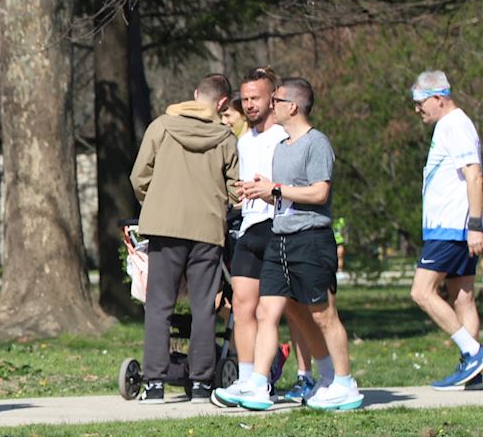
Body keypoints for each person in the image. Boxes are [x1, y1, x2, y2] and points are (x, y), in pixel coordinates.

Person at [217, 77, 365, 411]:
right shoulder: (282, 148)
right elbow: (281, 196)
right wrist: (260, 191)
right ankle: (256, 383)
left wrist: (277, 189)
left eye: (278, 100)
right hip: (280, 238)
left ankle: (343, 382)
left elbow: (319, 193)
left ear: (292, 106)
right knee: (266, 311)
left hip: (310, 238)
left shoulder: (317, 143)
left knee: (322, 314)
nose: (272, 105)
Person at [211, 67, 327, 408]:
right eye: (244, 99)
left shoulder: (285, 136)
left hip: (278, 226)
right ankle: (249, 380)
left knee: (293, 309)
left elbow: (296, 185)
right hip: (249, 228)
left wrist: (269, 191)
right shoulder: (244, 139)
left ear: (272, 97)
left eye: (256, 98)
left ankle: (309, 375)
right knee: (244, 305)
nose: (249, 104)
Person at [130, 74, 239, 402]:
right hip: (207, 230)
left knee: (159, 306)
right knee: (204, 307)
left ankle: (154, 383)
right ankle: (202, 384)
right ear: (222, 102)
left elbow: (139, 176)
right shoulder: (224, 137)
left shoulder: (161, 127)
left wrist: (157, 201)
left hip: (165, 227)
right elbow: (235, 188)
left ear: (195, 95)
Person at [406, 71, 483, 389]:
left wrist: (475, 225)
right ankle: (476, 372)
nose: (417, 109)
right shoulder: (450, 125)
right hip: (453, 228)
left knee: (421, 292)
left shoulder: (455, 125)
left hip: (451, 229)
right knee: (462, 298)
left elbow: (475, 176)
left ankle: (474, 353)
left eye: (420, 102)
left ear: (439, 98)